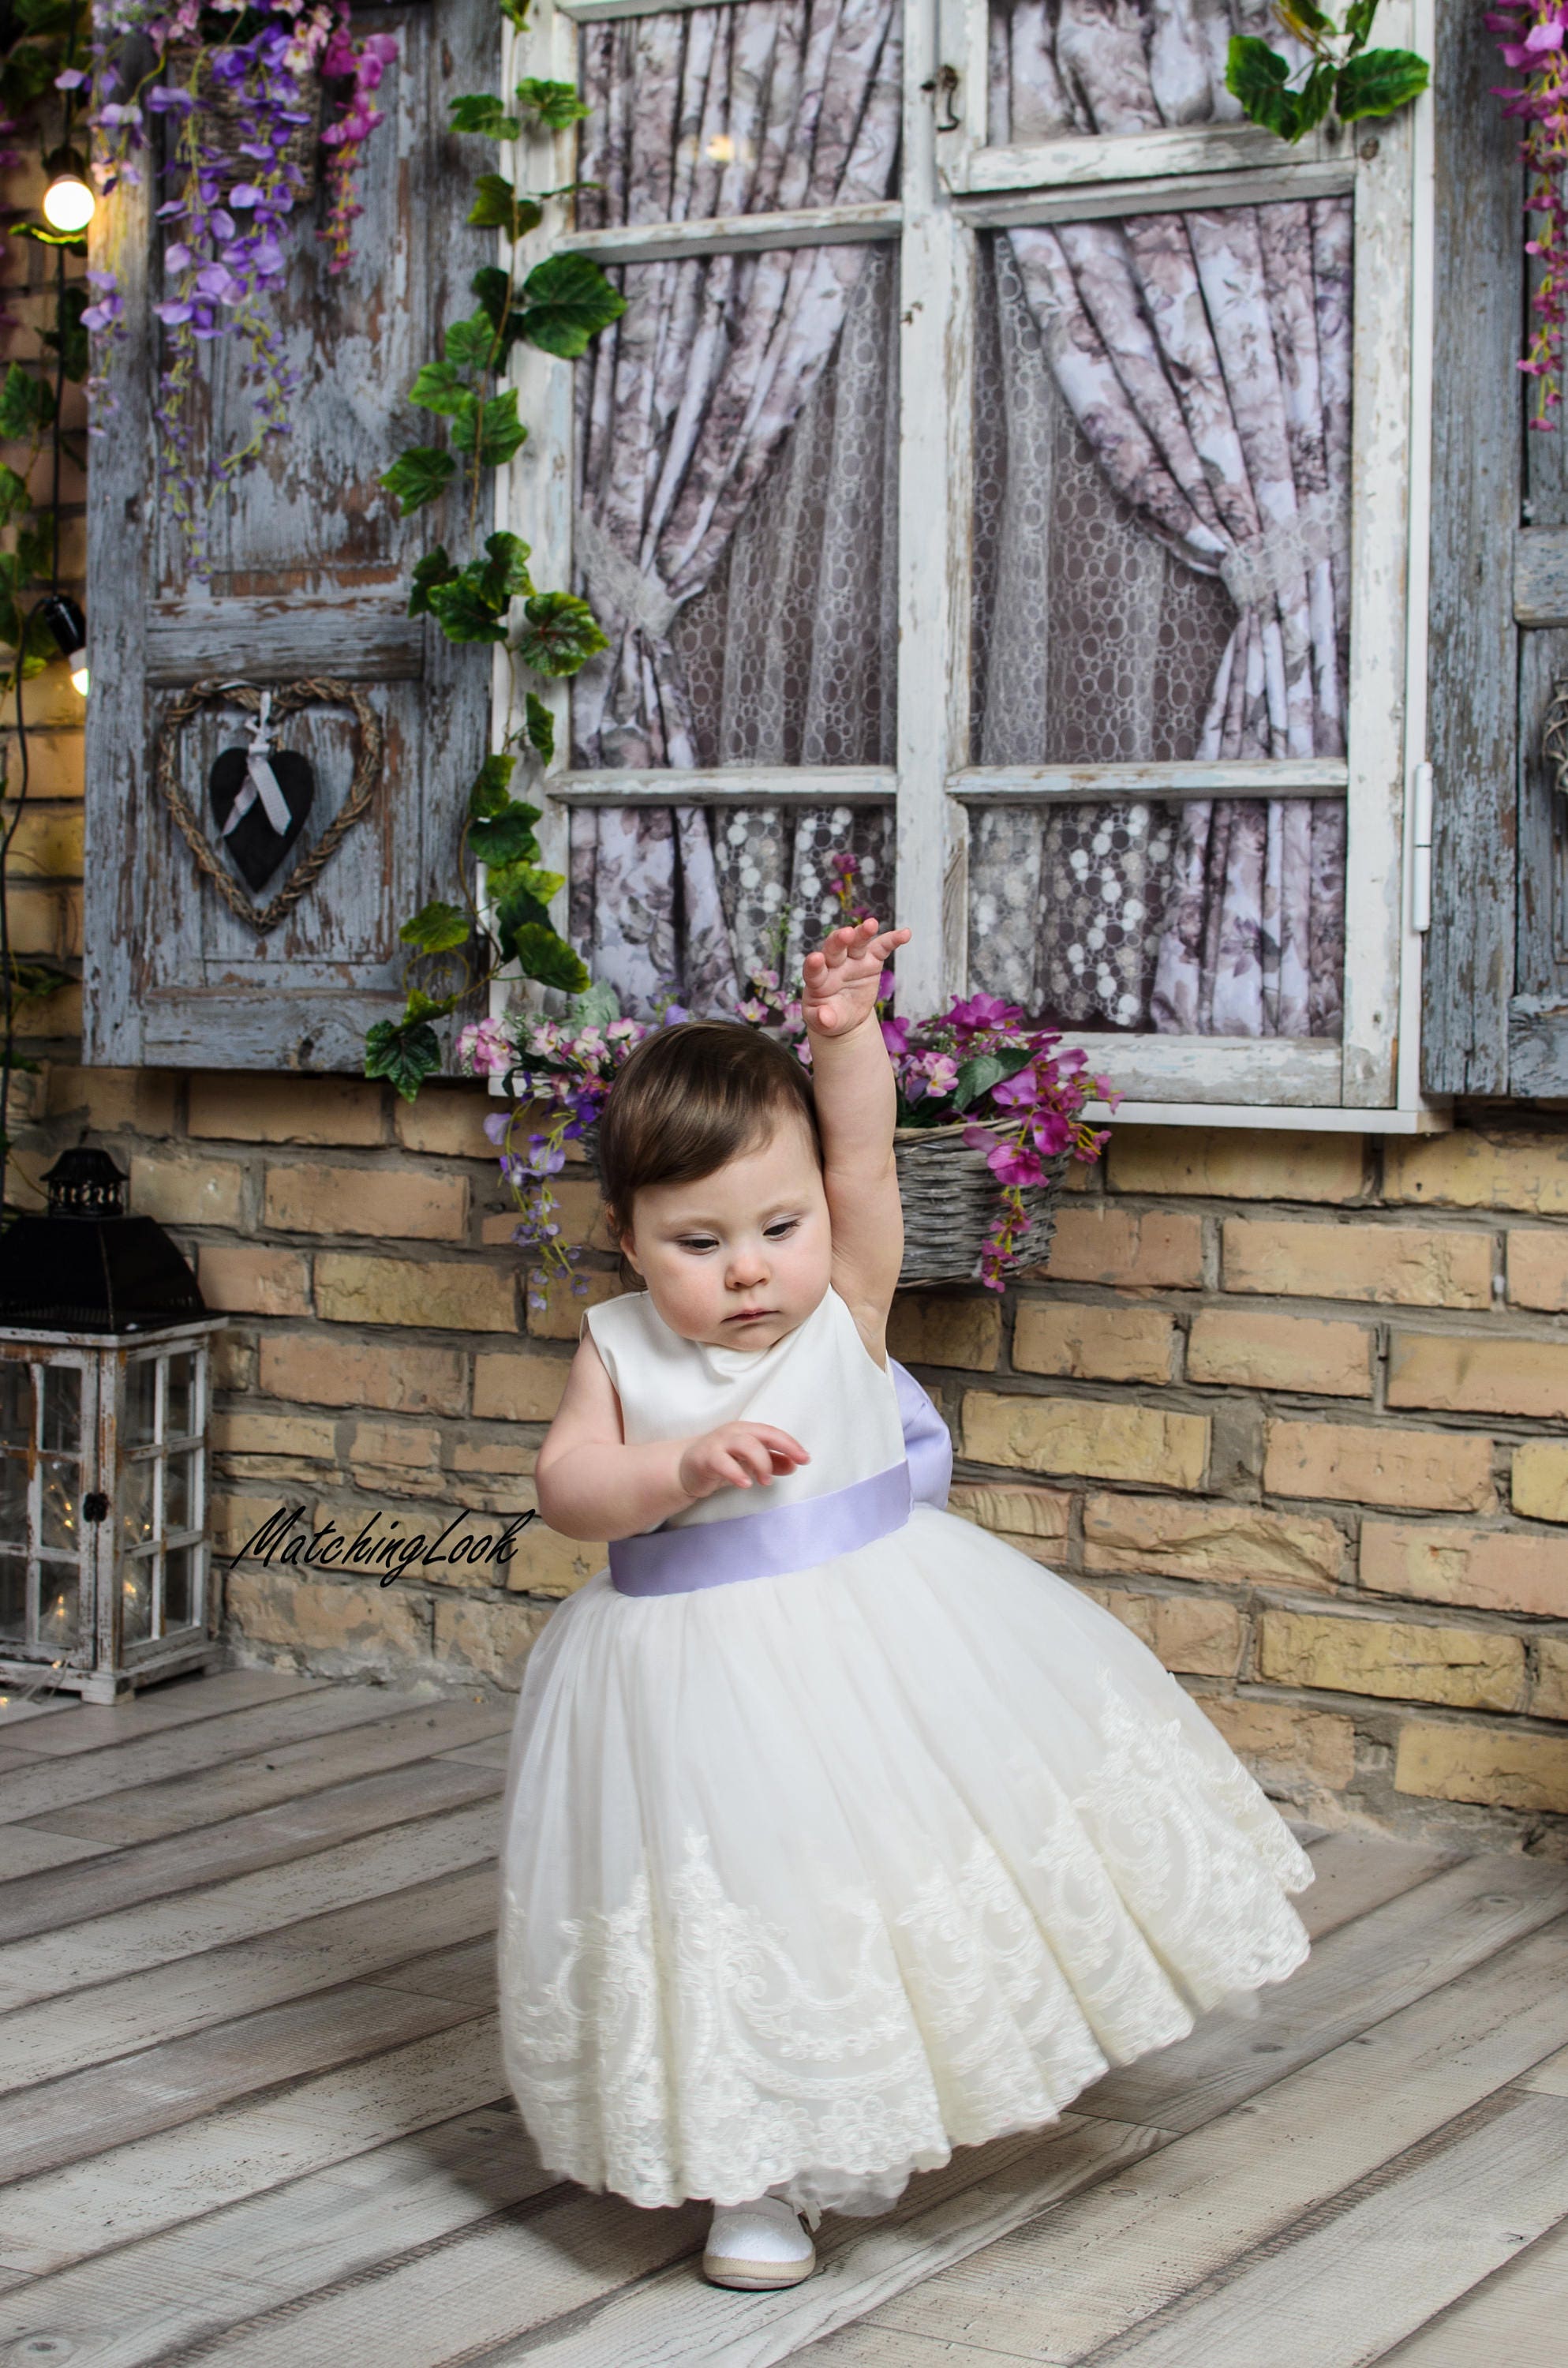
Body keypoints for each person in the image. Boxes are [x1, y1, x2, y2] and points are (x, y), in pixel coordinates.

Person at [496, 916, 1313, 2292]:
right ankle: (754, 2178)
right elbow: (569, 1490)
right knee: (737, 1912)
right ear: (628, 1243)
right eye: (699, 1242)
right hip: (688, 1687)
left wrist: (843, 1035)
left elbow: (863, 1151)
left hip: (880, 1650)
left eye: (779, 1226)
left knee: (886, 1882)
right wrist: (676, 1466)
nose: (750, 1268)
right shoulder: (618, 1348)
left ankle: (929, 2072)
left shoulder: (844, 1307)